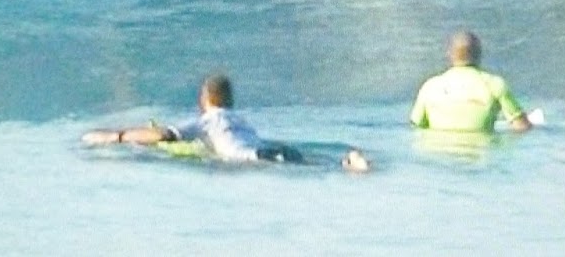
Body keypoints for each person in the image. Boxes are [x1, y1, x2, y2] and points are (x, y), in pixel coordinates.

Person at [82, 73, 371, 172]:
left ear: (205, 99)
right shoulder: (239, 119)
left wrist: (115, 137)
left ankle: (349, 165)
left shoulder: (209, 120)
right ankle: (349, 162)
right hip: (275, 150)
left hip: (254, 159)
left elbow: (164, 136)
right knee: (318, 165)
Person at [409, 30, 533, 132]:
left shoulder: (430, 87)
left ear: (450, 55)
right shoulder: (494, 84)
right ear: (479, 54)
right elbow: (522, 127)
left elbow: (416, 127)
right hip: (483, 157)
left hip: (437, 156)